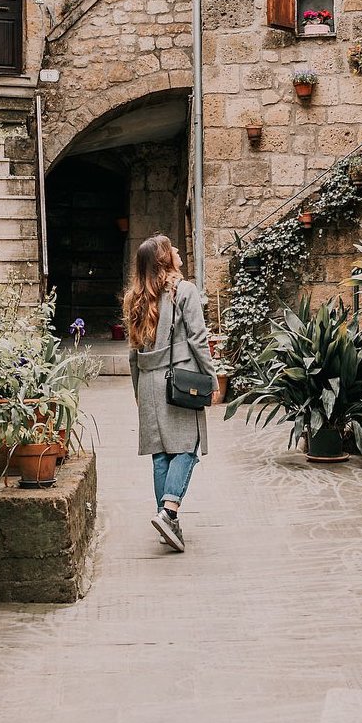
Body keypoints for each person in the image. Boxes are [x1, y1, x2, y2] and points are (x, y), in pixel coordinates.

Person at [123, 233, 217, 552]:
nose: (177, 250)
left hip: (149, 381)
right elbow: (199, 340)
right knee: (188, 447)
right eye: (171, 248)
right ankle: (169, 511)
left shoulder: (134, 298)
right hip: (178, 380)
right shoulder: (184, 291)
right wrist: (212, 378)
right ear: (164, 258)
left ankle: (167, 521)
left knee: (161, 453)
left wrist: (138, 391)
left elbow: (132, 352)